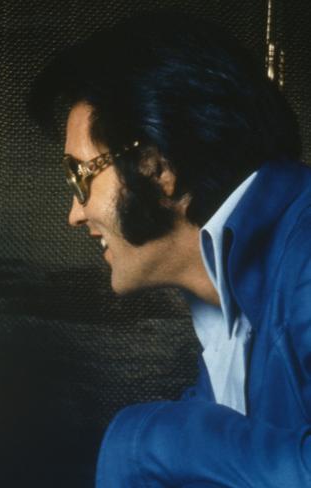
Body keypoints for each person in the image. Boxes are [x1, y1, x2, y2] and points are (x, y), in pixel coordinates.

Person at [30, 11, 311, 487]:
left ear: (156, 167)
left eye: (81, 177)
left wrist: (145, 439)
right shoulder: (230, 307)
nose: (74, 214)